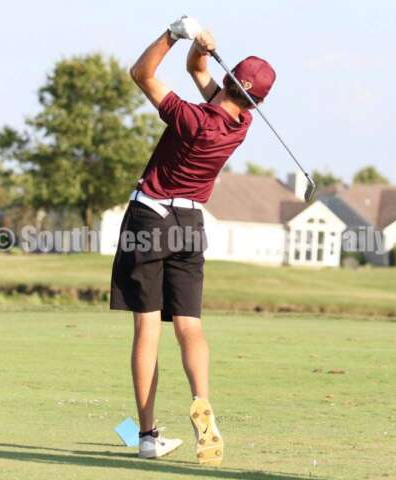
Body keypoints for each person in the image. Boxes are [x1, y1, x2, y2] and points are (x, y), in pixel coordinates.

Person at [110, 15, 276, 465]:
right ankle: (203, 403)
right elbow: (198, 73)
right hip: (189, 225)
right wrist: (200, 47)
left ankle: (147, 435)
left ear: (230, 80)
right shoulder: (239, 127)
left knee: (147, 326)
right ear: (255, 101)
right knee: (189, 325)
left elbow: (141, 74)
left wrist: (173, 33)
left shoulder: (189, 119)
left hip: (150, 218)